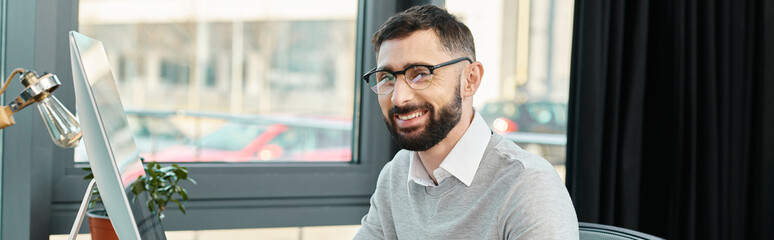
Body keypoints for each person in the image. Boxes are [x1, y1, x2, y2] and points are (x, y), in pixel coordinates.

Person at [354, 5, 578, 240]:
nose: (399, 97)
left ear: (470, 80)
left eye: (420, 74)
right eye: (386, 78)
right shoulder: (395, 175)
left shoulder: (527, 184)